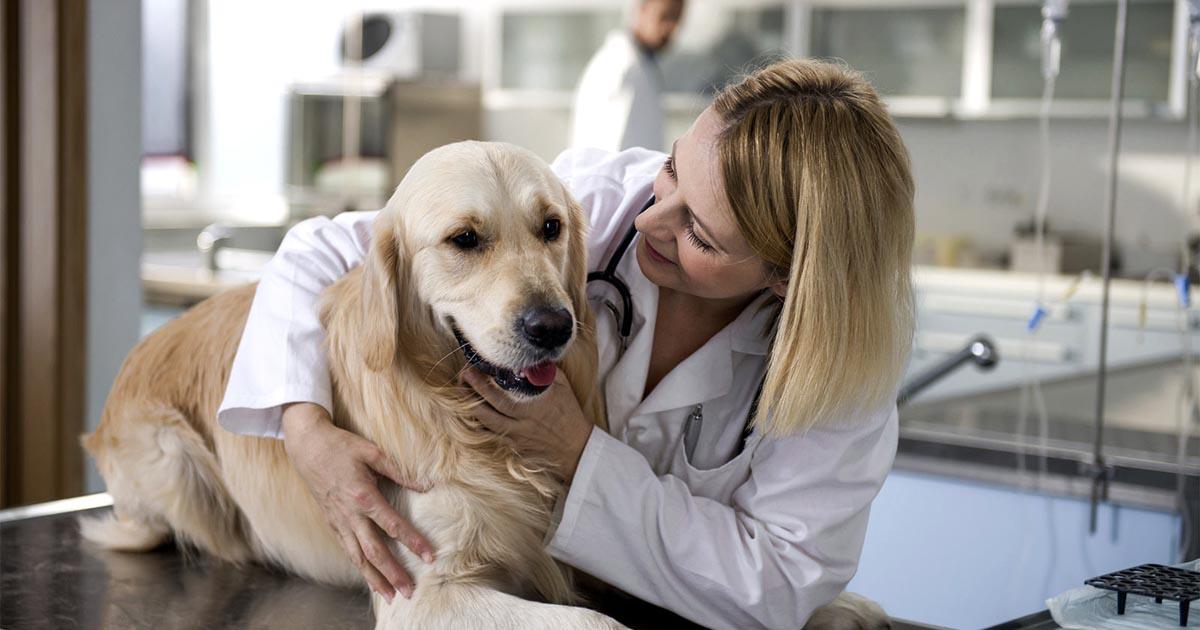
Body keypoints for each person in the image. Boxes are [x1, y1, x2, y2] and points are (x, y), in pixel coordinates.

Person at [218, 59, 915, 628]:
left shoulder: (843, 373)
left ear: (790, 276)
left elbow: (778, 582)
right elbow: (322, 248)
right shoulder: (587, 199)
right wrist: (302, 427)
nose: (649, 220)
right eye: (672, 171)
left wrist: (577, 450)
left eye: (700, 234)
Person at [569, 0, 685, 152]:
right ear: (641, 9)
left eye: (677, 18)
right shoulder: (623, 67)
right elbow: (610, 153)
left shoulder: (641, 65)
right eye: (665, 16)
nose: (671, 28)